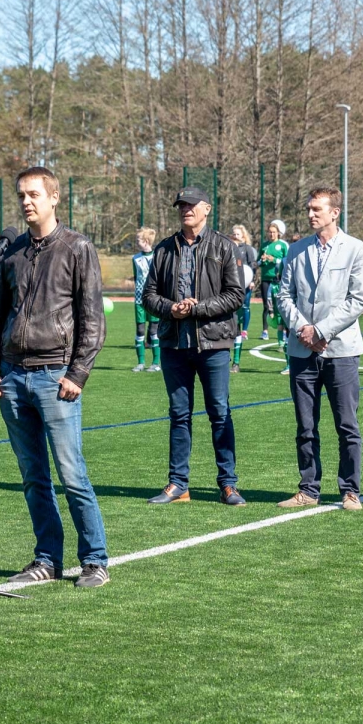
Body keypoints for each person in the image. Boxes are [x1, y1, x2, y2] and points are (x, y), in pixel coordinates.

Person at [0, 165, 110, 588]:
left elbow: (93, 319)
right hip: (13, 380)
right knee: (34, 478)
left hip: (57, 378)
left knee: (72, 474)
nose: (26, 202)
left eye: (34, 194)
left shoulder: (77, 248)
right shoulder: (12, 253)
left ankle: (94, 561)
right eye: (21, 195)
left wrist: (79, 373)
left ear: (54, 198)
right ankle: (46, 560)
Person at [142, 186, 246, 507]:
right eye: (181, 206)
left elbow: (235, 295)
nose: (185, 210)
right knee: (178, 415)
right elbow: (148, 296)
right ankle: (178, 485)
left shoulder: (224, 247)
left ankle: (228, 484)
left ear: (206, 208)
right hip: (175, 344)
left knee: (219, 412)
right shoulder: (163, 249)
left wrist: (197, 308)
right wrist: (171, 309)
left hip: (213, 343)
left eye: (190, 205)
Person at [274, 187, 363, 510]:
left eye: (317, 209)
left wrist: (322, 330)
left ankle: (350, 490)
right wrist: (304, 329)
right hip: (302, 350)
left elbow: (357, 301)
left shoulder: (357, 249)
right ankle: (308, 489)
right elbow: (283, 296)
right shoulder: (296, 250)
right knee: (305, 425)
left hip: (341, 349)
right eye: (309, 209)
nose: (311, 214)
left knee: (347, 424)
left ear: (334, 212)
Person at [131, 227, 162, 373]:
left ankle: (156, 363)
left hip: (154, 299)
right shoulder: (135, 258)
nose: (136, 242)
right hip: (139, 300)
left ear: (146, 241)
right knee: (140, 330)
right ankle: (141, 362)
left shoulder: (157, 256)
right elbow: (137, 277)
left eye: (138, 239)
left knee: (154, 331)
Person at [229, 224, 260, 372]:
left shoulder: (247, 249)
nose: (236, 236)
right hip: (229, 289)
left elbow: (252, 265)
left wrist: (251, 279)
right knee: (228, 323)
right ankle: (225, 356)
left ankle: (236, 362)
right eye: (234, 233)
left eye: (238, 234)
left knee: (238, 323)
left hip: (244, 288)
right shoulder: (227, 248)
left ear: (243, 235)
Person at [259, 220, 289, 340]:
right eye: (269, 232)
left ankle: (286, 332)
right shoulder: (264, 245)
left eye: (274, 232)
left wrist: (274, 260)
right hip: (266, 278)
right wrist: (262, 260)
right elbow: (258, 263)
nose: (271, 234)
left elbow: (287, 261)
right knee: (267, 305)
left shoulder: (282, 245)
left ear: (278, 233)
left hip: (279, 279)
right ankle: (265, 331)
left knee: (283, 305)